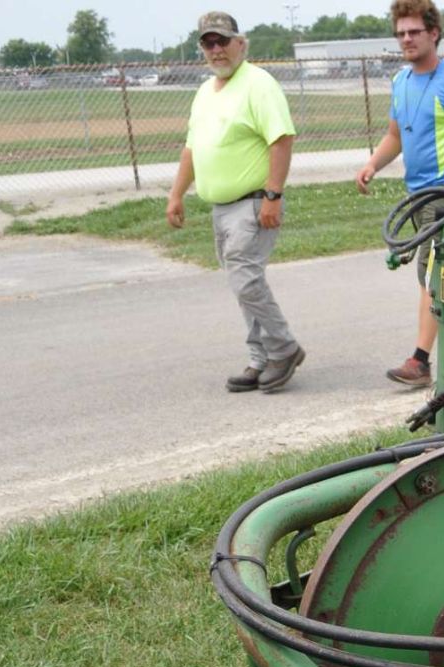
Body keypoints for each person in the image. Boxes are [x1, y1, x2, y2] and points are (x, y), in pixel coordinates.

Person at [355, 0, 444, 388]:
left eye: (414, 32)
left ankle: (420, 361)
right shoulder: (400, 82)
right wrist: (373, 164)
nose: (406, 39)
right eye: (401, 33)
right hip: (418, 195)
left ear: (433, 33)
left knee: (433, 272)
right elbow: (394, 136)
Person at [166, 11, 306, 393]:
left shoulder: (258, 84)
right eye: (208, 43)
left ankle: (284, 348)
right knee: (245, 283)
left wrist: (273, 196)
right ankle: (260, 359)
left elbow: (282, 139)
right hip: (221, 208)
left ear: (240, 43)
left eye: (222, 41)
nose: (216, 50)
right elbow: (192, 148)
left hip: (253, 202)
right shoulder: (206, 91)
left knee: (245, 281)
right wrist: (177, 194)